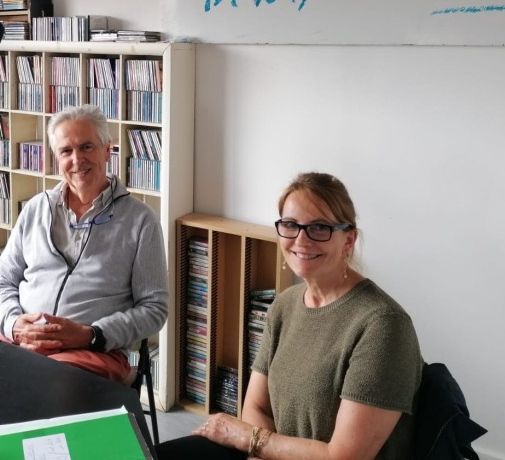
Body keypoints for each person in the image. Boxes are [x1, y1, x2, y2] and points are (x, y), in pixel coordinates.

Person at [157, 172, 422, 460]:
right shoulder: (285, 305)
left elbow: (344, 457)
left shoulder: (383, 325)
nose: (301, 239)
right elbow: (256, 407)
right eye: (290, 225)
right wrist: (257, 451)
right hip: (270, 455)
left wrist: (248, 438)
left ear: (349, 239)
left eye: (319, 227)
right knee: (141, 454)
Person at [0, 104, 169, 383]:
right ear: (56, 158)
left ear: (107, 150)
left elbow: (154, 309)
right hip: (22, 341)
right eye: (66, 151)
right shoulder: (36, 209)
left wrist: (92, 334)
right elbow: (2, 281)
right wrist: (13, 325)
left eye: (86, 147)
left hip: (92, 352)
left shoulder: (141, 221)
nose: (77, 160)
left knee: (46, 390)